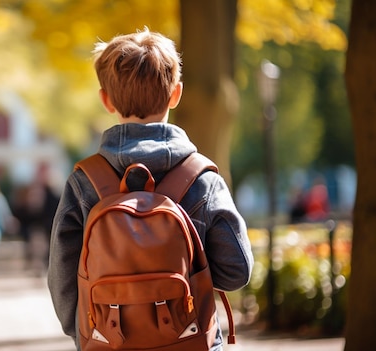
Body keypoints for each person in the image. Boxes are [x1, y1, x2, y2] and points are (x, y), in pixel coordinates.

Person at [47, 28, 254, 351]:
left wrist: (84, 333)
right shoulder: (202, 177)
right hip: (190, 340)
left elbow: (62, 276)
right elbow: (236, 271)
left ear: (106, 100)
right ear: (176, 94)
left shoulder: (85, 180)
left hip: (108, 341)